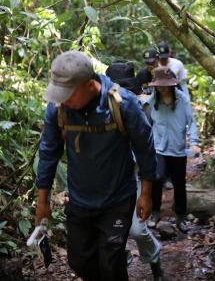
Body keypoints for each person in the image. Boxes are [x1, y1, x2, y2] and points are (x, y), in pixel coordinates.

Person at [35, 50, 157, 281]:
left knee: (111, 262)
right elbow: (49, 152)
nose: (63, 99)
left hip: (117, 199)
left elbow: (145, 148)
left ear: (90, 84)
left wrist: (147, 194)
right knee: (79, 262)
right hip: (80, 201)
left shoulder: (123, 104)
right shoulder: (59, 109)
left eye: (68, 94)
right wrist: (43, 202)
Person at [106, 61, 165, 281]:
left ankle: (155, 260)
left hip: (138, 175)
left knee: (138, 230)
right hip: (113, 180)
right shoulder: (99, 109)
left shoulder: (143, 106)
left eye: (126, 88)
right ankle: (121, 260)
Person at [147, 66, 199, 234]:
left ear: (172, 84)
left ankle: (181, 216)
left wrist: (194, 141)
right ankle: (155, 212)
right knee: (158, 178)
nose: (162, 88)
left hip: (177, 149)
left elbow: (191, 121)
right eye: (159, 85)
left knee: (179, 183)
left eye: (165, 84)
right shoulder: (152, 101)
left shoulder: (182, 100)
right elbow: (145, 122)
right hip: (158, 147)